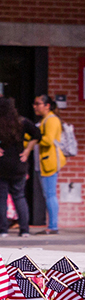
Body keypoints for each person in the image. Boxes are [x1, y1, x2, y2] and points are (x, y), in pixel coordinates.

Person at [0, 98, 39, 237]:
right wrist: (28, 150)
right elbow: (37, 134)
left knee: (1, 198)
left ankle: (3, 230)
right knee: (19, 197)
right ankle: (24, 230)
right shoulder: (22, 122)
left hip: (2, 164)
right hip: (18, 164)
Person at [33, 94, 64, 235]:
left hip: (49, 162)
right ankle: (51, 225)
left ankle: (53, 226)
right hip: (43, 162)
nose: (35, 106)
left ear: (47, 106)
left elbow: (48, 141)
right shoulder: (45, 120)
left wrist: (34, 136)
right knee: (48, 194)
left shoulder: (51, 120)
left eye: (38, 103)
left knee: (50, 194)